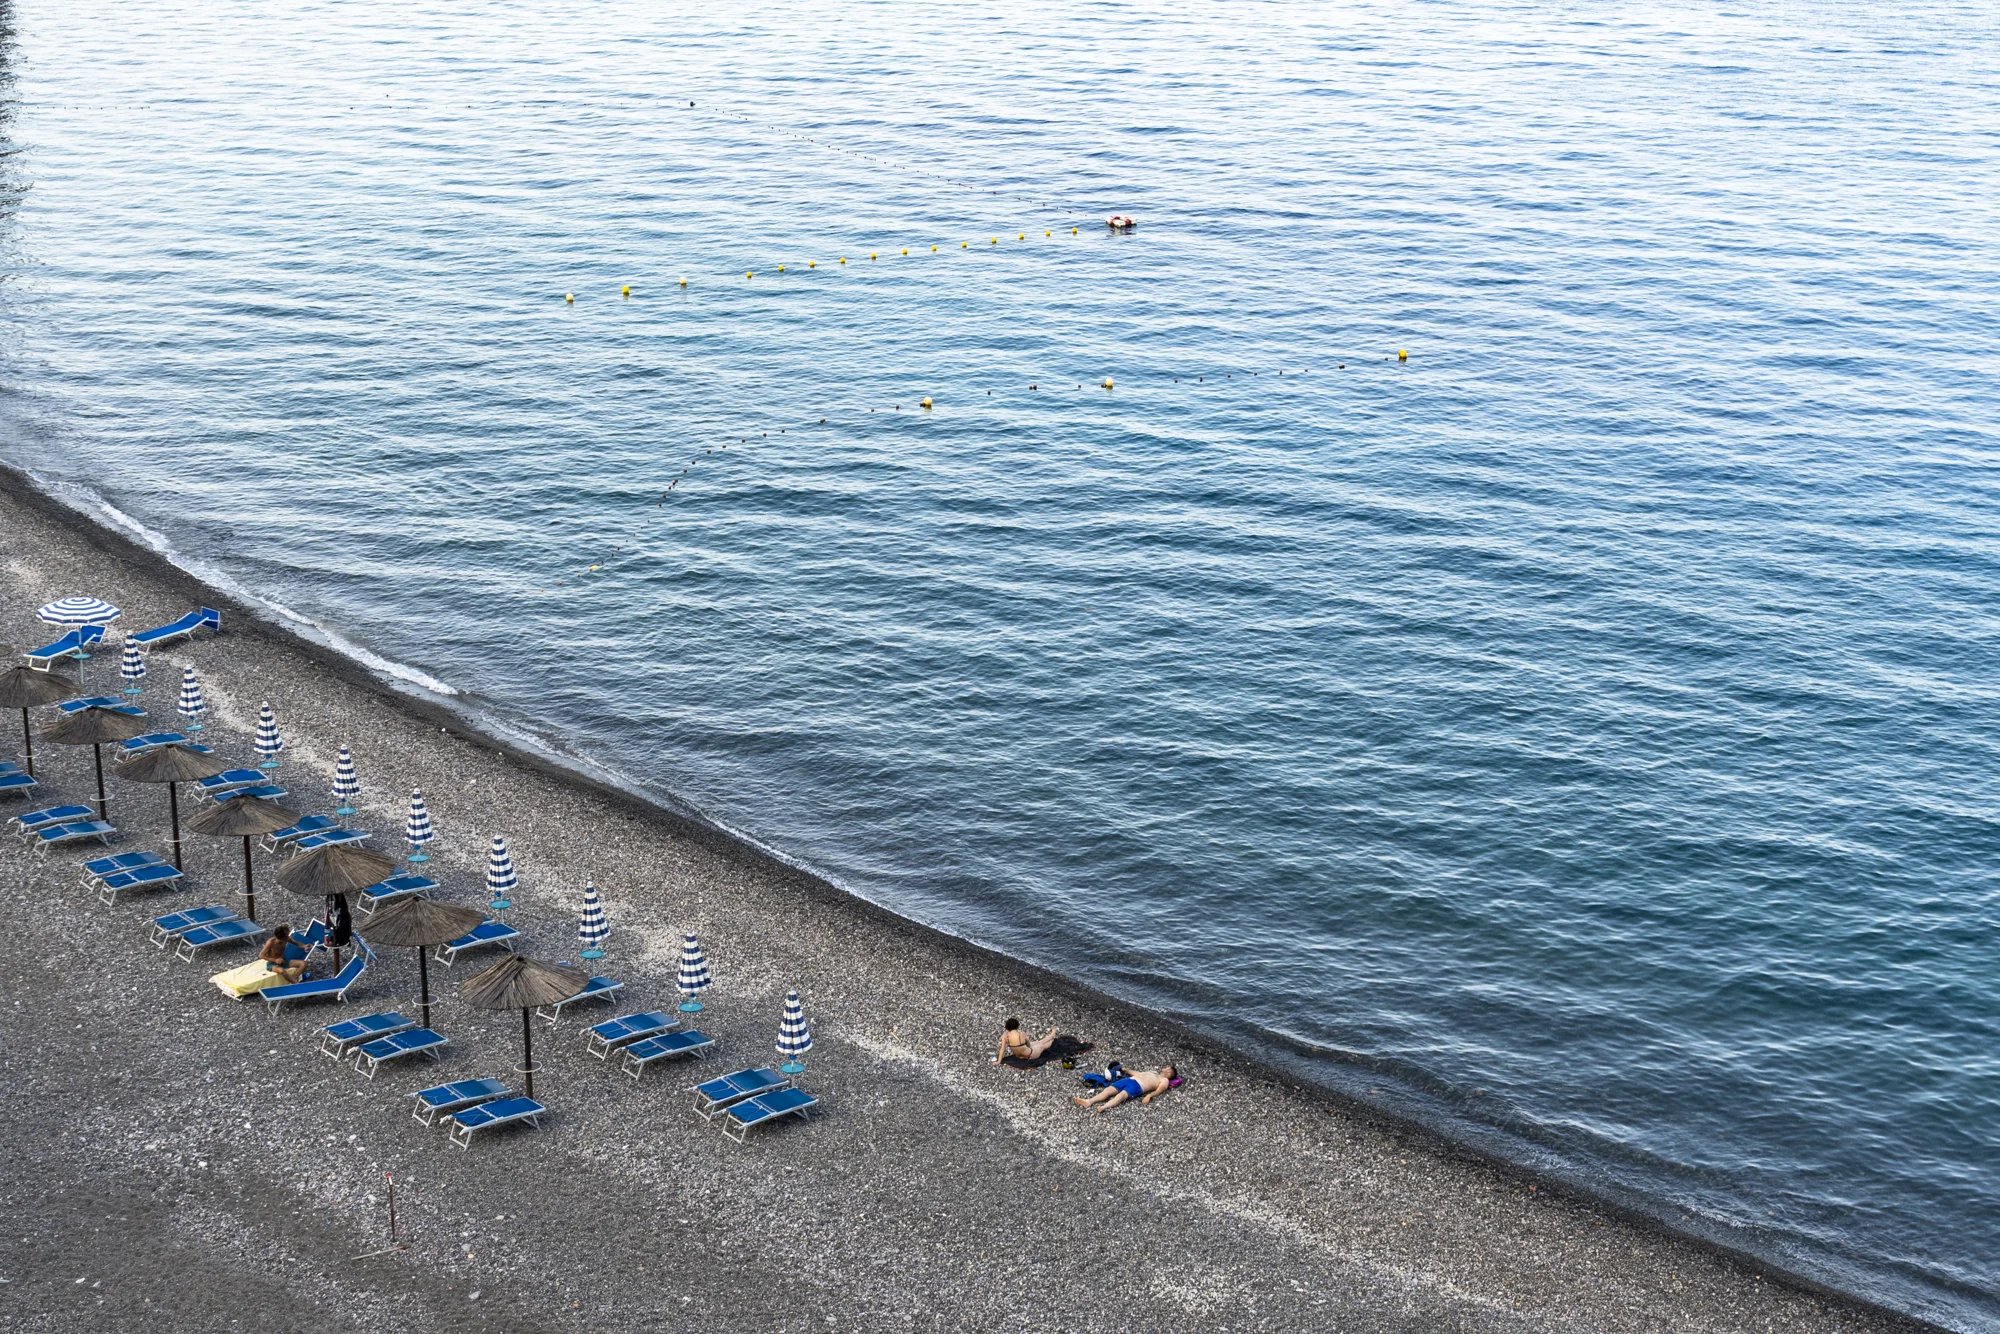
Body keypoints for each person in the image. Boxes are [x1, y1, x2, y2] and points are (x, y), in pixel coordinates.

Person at [1072, 1065, 1176, 1112]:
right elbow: (1139, 1073)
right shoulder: (1153, 1072)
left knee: (1121, 1096)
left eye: (1169, 1070)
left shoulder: (1164, 1080)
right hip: (1130, 1080)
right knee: (1108, 1090)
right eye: (1167, 1068)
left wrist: (1149, 1095)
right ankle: (1089, 1101)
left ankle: (1103, 1107)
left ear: (1169, 1074)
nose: (1166, 1070)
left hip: (1138, 1086)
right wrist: (1127, 1070)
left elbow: (1159, 1090)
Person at [993, 1017, 1059, 1065]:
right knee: (1041, 1045)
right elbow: (1029, 1045)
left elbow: (1002, 1049)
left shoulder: (1005, 1036)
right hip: (1031, 1055)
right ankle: (1052, 1038)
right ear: (1017, 1026)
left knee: (1037, 1042)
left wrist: (999, 1061)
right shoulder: (1022, 1034)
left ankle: (1050, 1037)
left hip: (1019, 1056)